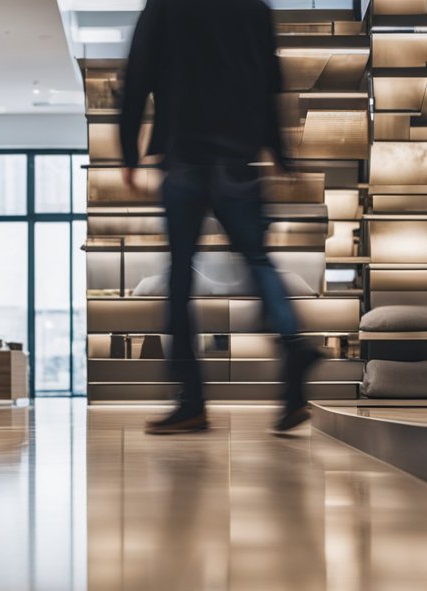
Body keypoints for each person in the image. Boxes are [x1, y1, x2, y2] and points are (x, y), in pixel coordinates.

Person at [120, 0, 320, 435]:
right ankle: (293, 346)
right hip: (239, 156)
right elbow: (272, 82)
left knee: (179, 280)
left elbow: (137, 74)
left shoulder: (166, 7)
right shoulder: (254, 7)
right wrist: (280, 152)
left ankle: (191, 400)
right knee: (258, 260)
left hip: (186, 152)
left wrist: (128, 152)